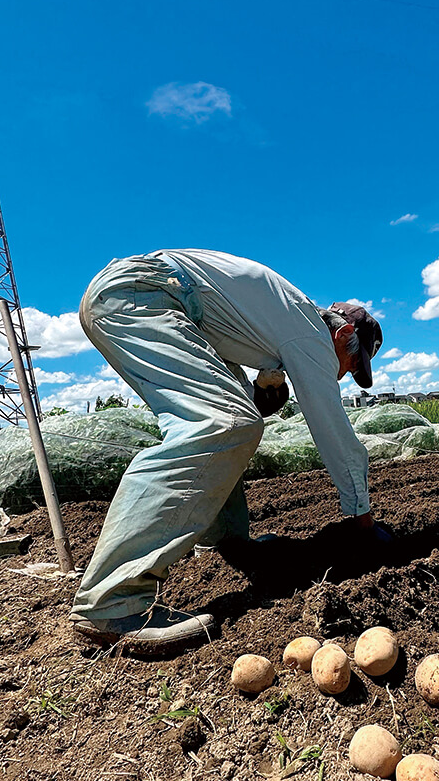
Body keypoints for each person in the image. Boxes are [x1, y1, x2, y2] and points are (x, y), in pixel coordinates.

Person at [69, 249, 384, 652]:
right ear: (343, 336)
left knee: (235, 416)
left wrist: (263, 390)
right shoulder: (311, 334)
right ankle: (113, 601)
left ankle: (225, 541)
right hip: (146, 297)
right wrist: (362, 519)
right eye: (351, 365)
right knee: (225, 423)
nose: (343, 373)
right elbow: (333, 431)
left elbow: (261, 381)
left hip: (150, 298)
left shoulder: (288, 320)